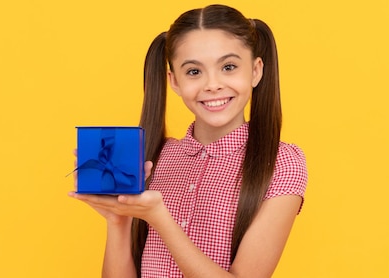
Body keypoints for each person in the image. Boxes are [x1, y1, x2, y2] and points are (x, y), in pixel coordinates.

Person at [68, 4, 308, 277]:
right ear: (174, 81)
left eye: (228, 67)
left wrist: (160, 218)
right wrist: (118, 220)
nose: (212, 84)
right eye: (194, 71)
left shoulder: (281, 162)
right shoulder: (154, 157)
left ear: (255, 71)